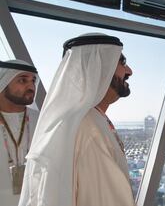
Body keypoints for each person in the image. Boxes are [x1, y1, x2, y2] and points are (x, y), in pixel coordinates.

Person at [18, 33, 136, 206]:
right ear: (99, 67)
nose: (129, 71)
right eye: (121, 62)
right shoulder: (88, 128)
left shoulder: (90, 120)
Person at [0, 59, 39, 206]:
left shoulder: (42, 120)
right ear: (3, 81)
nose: (31, 86)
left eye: (33, 81)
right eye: (22, 80)